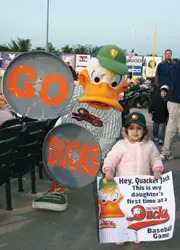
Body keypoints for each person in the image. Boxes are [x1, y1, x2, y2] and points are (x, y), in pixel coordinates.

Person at [102, 112, 163, 244]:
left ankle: (138, 232)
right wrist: (108, 170)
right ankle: (120, 234)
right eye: (131, 128)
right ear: (126, 130)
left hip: (141, 188)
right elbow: (111, 159)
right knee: (123, 212)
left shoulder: (150, 145)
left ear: (144, 130)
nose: (135, 132)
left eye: (139, 128)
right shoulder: (121, 145)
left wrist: (157, 170)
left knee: (139, 211)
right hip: (124, 187)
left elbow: (155, 159)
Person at [160, 61, 180, 160]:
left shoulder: (174, 66)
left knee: (171, 127)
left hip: (171, 100)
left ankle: (165, 152)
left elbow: (165, 81)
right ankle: (165, 152)